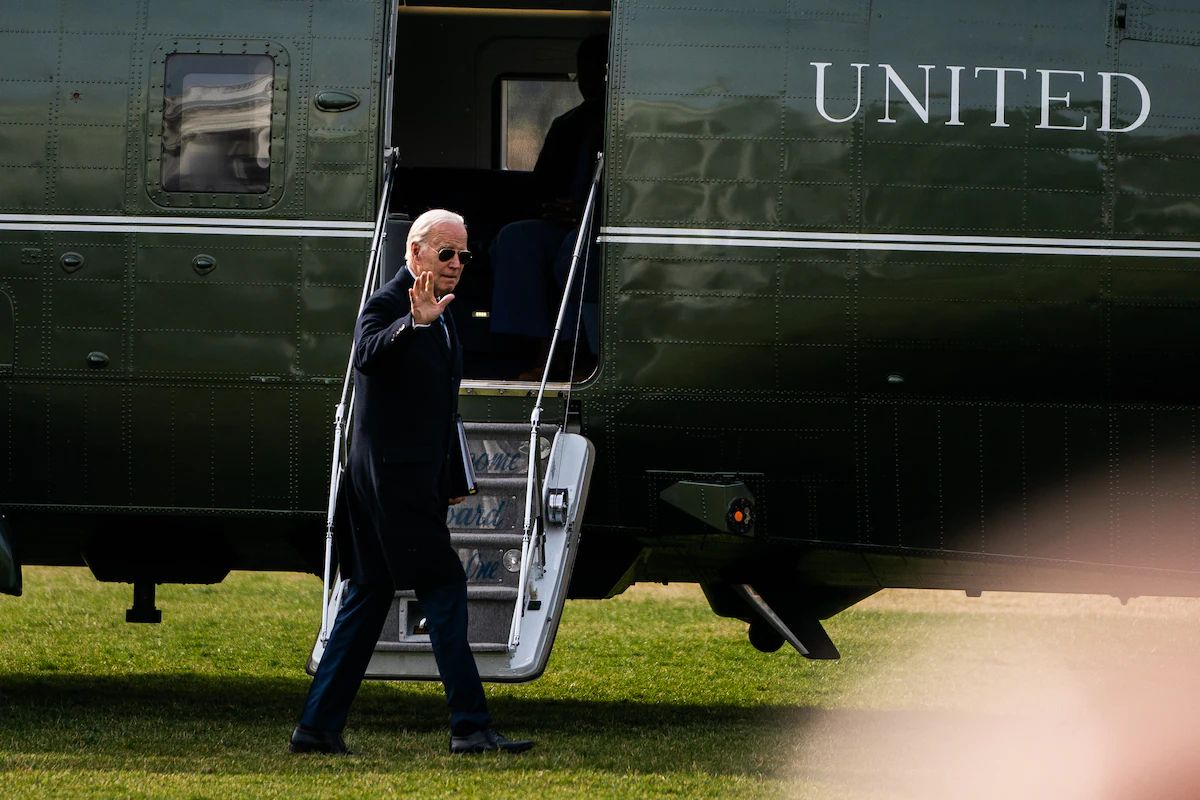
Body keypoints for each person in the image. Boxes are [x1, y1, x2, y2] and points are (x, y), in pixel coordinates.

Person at [290, 209, 534, 756]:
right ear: (414, 252)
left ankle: (317, 726)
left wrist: (448, 474)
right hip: (391, 484)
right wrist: (414, 323)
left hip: (408, 480)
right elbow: (369, 357)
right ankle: (470, 726)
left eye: (463, 255)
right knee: (444, 588)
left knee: (370, 593)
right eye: (444, 253)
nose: (455, 265)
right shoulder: (389, 305)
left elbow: (438, 407)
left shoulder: (445, 313)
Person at [489, 34, 607, 377]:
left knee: (574, 251)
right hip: (565, 223)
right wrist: (552, 208)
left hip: (604, 228)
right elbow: (540, 187)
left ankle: (575, 352)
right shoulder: (567, 125)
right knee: (516, 239)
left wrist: (591, 212)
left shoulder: (634, 124)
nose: (587, 79)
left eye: (596, 69)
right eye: (581, 70)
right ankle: (528, 350)